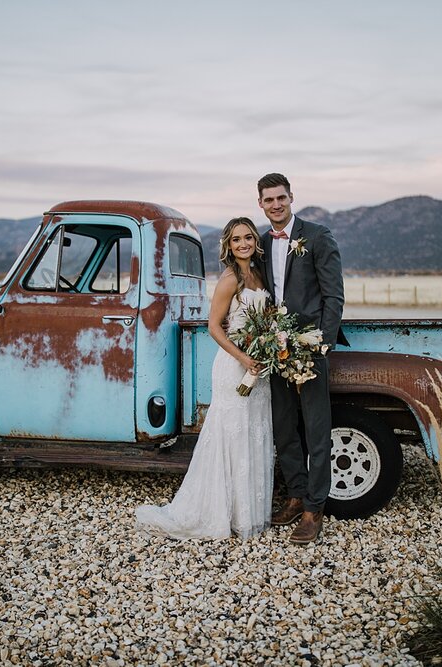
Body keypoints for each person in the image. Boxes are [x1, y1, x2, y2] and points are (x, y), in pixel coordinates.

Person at [135, 217, 274, 540]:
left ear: (255, 241)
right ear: (228, 245)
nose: (243, 244)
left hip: (259, 366)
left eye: (248, 238)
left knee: (254, 432)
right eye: (237, 239)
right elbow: (214, 326)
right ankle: (217, 512)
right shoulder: (229, 279)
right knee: (231, 434)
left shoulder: (259, 274)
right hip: (235, 363)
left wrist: (265, 347)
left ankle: (248, 512)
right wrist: (243, 358)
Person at [258, 173, 346, 545]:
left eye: (281, 198)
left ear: (291, 197)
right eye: (268, 200)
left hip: (310, 346)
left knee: (315, 427)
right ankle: (295, 495)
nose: (276, 204)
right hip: (273, 346)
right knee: (283, 425)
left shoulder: (317, 235)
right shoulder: (260, 243)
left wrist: (323, 341)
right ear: (260, 204)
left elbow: (333, 295)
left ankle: (314, 509)